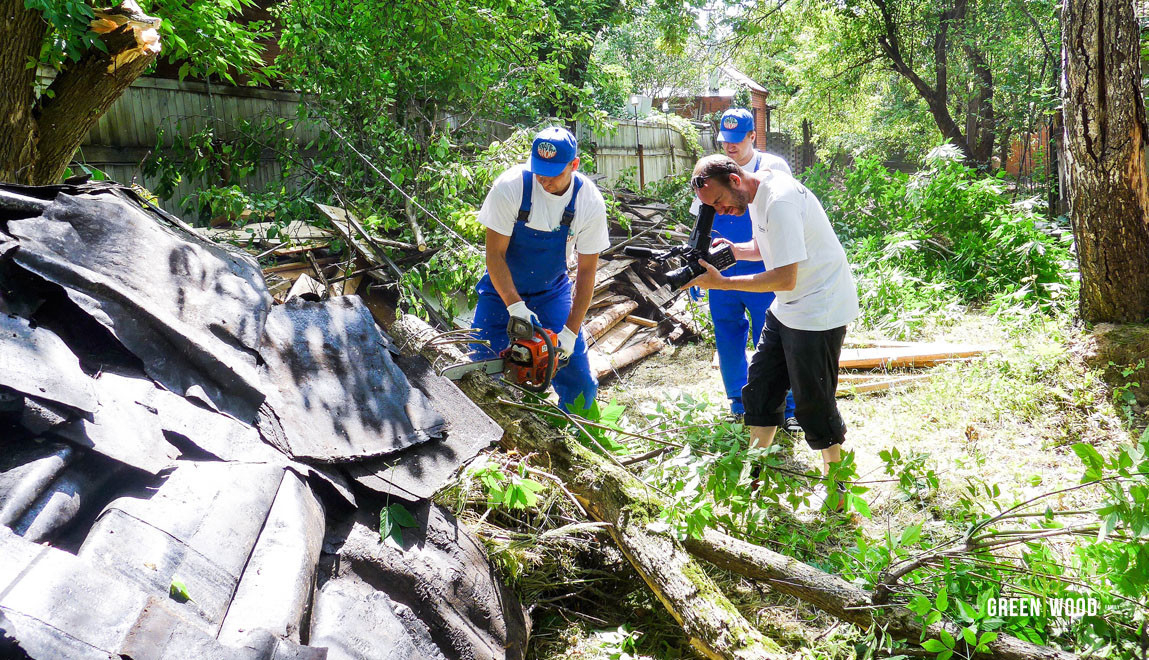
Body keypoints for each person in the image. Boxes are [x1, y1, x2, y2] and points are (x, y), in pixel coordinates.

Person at [685, 154, 859, 482]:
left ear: (735, 179)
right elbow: (767, 246)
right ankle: (753, 476)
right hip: (788, 307)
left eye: (719, 201)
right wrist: (735, 250)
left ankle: (837, 488)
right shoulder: (755, 191)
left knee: (814, 405)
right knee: (760, 391)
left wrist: (722, 283)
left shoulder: (780, 201)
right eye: (713, 207)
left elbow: (784, 277)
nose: (720, 211)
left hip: (819, 310)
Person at [470, 126, 608, 411]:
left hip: (551, 292)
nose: (544, 180)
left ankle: (580, 429)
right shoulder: (511, 187)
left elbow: (586, 273)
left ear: (573, 165)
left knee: (579, 379)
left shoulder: (589, 202)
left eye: (553, 173)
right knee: (478, 369)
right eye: (540, 171)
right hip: (500, 291)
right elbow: (494, 255)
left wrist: (570, 332)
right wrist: (514, 305)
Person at [691, 108, 796, 427]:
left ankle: (787, 406)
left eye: (737, 139)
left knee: (772, 338)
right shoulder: (710, 172)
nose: (730, 146)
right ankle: (739, 401)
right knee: (727, 335)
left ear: (753, 136)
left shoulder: (772, 167)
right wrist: (696, 263)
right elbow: (700, 221)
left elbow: (786, 219)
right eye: (725, 140)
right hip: (721, 267)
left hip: (763, 268)